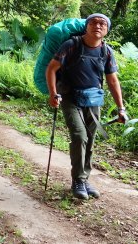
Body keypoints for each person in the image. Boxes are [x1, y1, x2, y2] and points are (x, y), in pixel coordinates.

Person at [45, 13, 127, 200]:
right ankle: (78, 181)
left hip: (93, 100)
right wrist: (53, 93)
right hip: (69, 96)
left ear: (106, 30)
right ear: (87, 26)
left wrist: (121, 108)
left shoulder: (106, 51)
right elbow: (51, 68)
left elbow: (113, 80)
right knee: (79, 136)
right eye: (94, 22)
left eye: (102, 24)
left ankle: (84, 179)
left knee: (90, 139)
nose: (98, 26)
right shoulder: (72, 45)